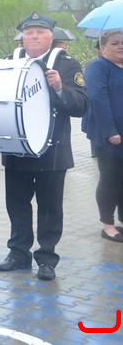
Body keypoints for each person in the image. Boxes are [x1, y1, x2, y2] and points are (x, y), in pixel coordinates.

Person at [0, 12, 87, 281]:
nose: (33, 36)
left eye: (40, 32)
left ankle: (46, 259)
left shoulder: (67, 65)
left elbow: (81, 105)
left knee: (50, 208)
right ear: (22, 36)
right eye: (29, 32)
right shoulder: (10, 62)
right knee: (17, 204)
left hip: (52, 151)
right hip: (17, 150)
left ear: (51, 37)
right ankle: (18, 254)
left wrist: (59, 88)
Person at [83, 29, 123, 243]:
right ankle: (108, 225)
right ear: (103, 47)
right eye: (115, 43)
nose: (121, 46)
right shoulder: (98, 67)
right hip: (108, 134)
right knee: (110, 179)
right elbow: (98, 99)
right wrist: (110, 131)